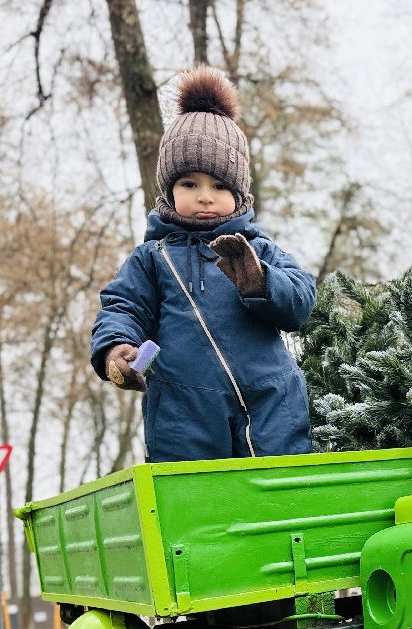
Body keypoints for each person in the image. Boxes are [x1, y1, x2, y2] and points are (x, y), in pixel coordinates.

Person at [91, 66, 315, 463]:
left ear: (239, 192)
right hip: (184, 414)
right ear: (169, 190)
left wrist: (260, 283)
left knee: (278, 498)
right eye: (189, 184)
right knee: (196, 507)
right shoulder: (152, 258)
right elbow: (123, 307)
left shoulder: (258, 248)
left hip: (270, 403)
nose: (205, 196)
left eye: (219, 185)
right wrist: (116, 350)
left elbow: (300, 299)